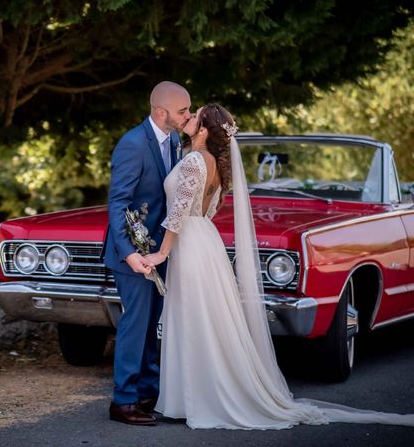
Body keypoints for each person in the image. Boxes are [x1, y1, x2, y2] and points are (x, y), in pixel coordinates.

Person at [143, 103, 414, 429]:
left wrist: (161, 252)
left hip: (189, 241)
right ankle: (197, 397)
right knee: (205, 320)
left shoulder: (192, 161)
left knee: (192, 318)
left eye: (193, 115)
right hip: (205, 239)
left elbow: (178, 213)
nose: (187, 118)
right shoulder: (213, 163)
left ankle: (189, 400)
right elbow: (207, 210)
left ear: (203, 129)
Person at [103, 81, 189, 426]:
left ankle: (147, 393)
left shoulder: (176, 141)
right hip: (134, 256)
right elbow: (118, 202)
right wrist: (128, 254)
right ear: (160, 111)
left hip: (158, 253)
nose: (187, 116)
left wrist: (164, 251)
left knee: (153, 324)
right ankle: (123, 402)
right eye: (182, 110)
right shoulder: (133, 144)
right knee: (135, 326)